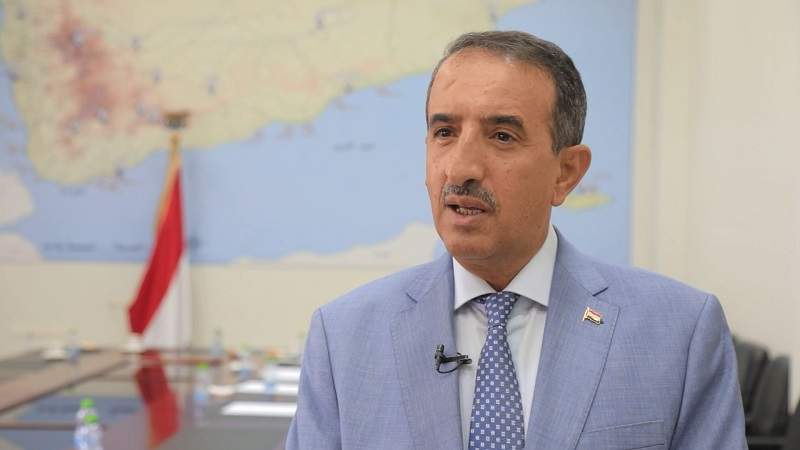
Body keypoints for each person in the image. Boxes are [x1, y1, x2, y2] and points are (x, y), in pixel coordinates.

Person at [286, 31, 746, 450]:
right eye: (444, 132)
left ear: (566, 173)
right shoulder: (343, 336)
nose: (460, 168)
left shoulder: (680, 333)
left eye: (502, 136)